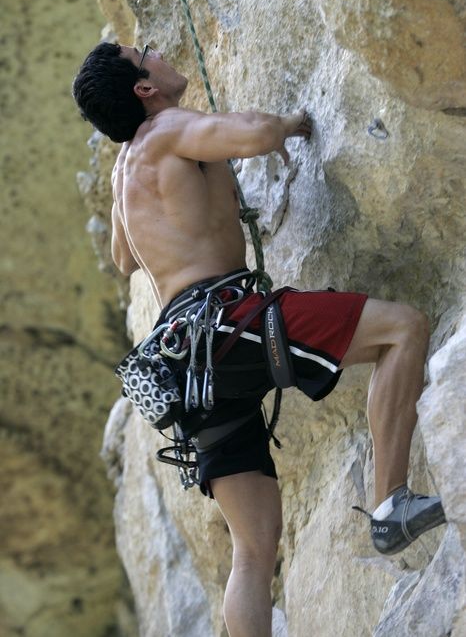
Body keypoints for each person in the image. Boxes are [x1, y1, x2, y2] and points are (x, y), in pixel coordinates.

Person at [73, 42, 446, 637]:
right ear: (144, 88)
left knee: (253, 552)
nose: (161, 52)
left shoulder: (125, 170)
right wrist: (291, 124)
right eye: (145, 54)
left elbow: (123, 257)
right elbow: (253, 133)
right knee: (403, 329)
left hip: (182, 371)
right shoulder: (167, 130)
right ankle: (389, 505)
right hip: (224, 326)